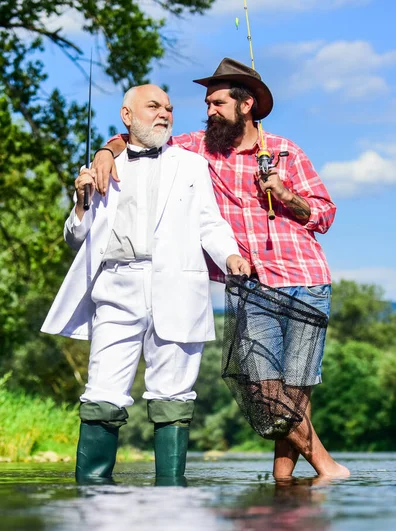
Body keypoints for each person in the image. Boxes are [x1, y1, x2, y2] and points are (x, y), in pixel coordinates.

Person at [93, 59, 350, 481]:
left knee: (295, 396)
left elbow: (324, 214)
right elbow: (135, 136)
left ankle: (284, 483)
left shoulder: (286, 151)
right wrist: (106, 150)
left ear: (245, 104)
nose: (208, 110)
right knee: (269, 394)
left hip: (306, 280)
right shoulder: (194, 149)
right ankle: (327, 467)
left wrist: (284, 193)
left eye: (217, 103)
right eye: (207, 103)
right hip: (250, 286)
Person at [41, 83, 250, 483]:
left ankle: (171, 494)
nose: (164, 114)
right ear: (127, 116)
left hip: (179, 286)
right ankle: (93, 495)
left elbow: (210, 224)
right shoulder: (103, 166)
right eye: (153, 106)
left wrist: (230, 255)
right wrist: (81, 201)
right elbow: (75, 237)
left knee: (174, 396)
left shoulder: (192, 165)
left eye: (169, 108)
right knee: (102, 392)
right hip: (117, 286)